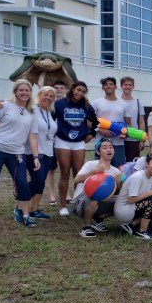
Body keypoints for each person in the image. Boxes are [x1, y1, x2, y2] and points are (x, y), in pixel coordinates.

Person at [0, 79, 41, 229]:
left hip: (17, 153)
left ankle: (25, 216)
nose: (24, 93)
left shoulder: (32, 112)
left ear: (30, 93)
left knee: (22, 183)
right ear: (15, 92)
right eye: (21, 90)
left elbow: (32, 136)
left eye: (27, 90)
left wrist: (35, 156)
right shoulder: (4, 105)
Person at [53, 81, 98, 216]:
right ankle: (62, 205)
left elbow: (96, 123)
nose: (80, 93)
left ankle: (77, 203)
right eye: (78, 90)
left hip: (79, 142)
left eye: (83, 92)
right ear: (72, 89)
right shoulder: (59, 104)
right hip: (62, 141)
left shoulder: (87, 106)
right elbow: (50, 119)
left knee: (79, 174)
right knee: (65, 172)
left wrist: (91, 134)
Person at [17, 86, 58, 220]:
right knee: (38, 179)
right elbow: (15, 106)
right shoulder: (31, 109)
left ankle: (34, 209)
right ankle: (20, 206)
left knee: (41, 181)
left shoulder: (49, 112)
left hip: (48, 152)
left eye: (51, 96)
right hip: (33, 152)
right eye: (46, 95)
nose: (48, 98)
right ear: (39, 95)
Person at [72, 139, 122, 237]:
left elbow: (114, 192)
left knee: (122, 201)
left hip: (103, 200)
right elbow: (76, 180)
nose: (109, 150)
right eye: (105, 148)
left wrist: (118, 183)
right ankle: (86, 227)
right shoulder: (91, 164)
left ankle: (97, 217)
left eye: (111, 147)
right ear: (98, 152)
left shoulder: (116, 171)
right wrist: (94, 172)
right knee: (94, 197)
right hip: (82, 200)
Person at [115, 153, 152, 239]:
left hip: (134, 207)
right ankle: (142, 231)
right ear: (147, 164)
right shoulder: (138, 177)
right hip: (124, 210)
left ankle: (131, 224)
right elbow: (131, 200)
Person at [91, 77, 131, 167]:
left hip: (118, 143)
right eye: (105, 85)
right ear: (103, 88)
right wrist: (101, 130)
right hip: (101, 143)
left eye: (111, 84)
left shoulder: (124, 104)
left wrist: (124, 133)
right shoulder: (96, 103)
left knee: (119, 170)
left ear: (115, 87)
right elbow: (89, 122)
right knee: (101, 170)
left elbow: (128, 123)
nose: (108, 86)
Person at [119, 76, 146, 161]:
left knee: (132, 164)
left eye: (130, 85)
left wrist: (142, 140)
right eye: (125, 84)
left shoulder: (138, 103)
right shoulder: (116, 101)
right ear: (121, 86)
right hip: (118, 138)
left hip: (133, 138)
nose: (128, 87)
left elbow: (141, 122)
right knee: (118, 164)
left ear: (133, 87)